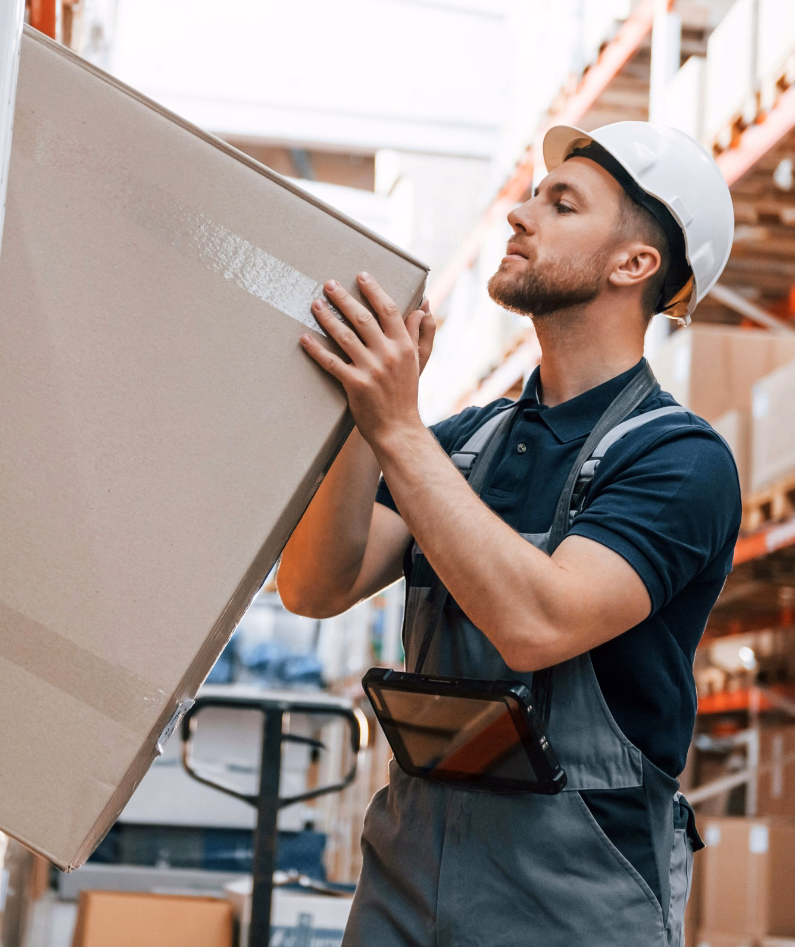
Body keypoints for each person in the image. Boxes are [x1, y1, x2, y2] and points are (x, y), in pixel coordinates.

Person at [277, 121, 741, 946]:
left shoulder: (679, 461)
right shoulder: (465, 444)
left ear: (633, 265)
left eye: (561, 204)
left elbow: (538, 624)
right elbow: (316, 585)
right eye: (532, 196)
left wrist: (401, 430)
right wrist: (362, 415)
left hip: (572, 901)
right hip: (408, 877)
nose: (521, 216)